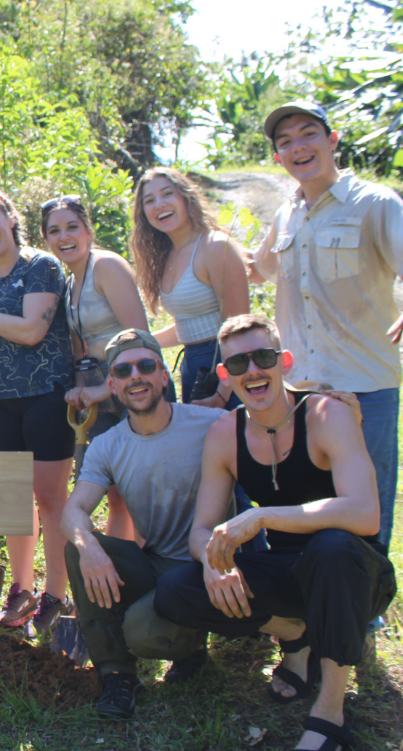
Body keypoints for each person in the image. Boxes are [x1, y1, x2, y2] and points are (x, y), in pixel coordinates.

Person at [155, 315, 395, 751]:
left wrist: (263, 518)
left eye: (263, 357)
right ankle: (294, 633)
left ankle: (329, 713)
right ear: (226, 375)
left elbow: (365, 515)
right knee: (176, 590)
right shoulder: (225, 434)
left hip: (356, 574)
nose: (253, 371)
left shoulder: (326, 414)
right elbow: (201, 530)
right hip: (289, 573)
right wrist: (213, 563)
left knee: (333, 546)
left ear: (283, 361)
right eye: (239, 363)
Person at [250, 100, 403, 556]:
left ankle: (367, 600)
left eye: (308, 133)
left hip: (366, 386)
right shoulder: (286, 215)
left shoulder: (375, 203)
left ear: (333, 140)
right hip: (302, 390)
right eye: (285, 141)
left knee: (367, 499)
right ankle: (311, 595)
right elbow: (256, 268)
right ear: (278, 157)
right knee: (309, 495)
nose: (298, 146)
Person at [61, 329, 223, 720]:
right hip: (157, 562)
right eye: (124, 370)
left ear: (164, 376)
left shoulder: (213, 424)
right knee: (76, 546)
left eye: (146, 365)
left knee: (142, 630)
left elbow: (274, 424)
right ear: (112, 385)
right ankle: (117, 673)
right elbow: (73, 510)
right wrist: (90, 548)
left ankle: (191, 644)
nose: (137, 376)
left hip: (207, 565)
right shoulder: (109, 444)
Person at [0, 187, 75, 635]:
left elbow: (29, 332)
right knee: (14, 502)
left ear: (10, 219)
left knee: (49, 498)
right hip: (1, 400)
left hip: (47, 393)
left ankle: (56, 594)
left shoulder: (41, 266)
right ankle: (20, 590)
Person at [42, 194, 150, 540]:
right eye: (54, 231)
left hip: (133, 381)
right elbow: (78, 349)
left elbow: (140, 338)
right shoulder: (70, 282)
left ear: (88, 231)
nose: (64, 237)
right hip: (97, 390)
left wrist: (109, 388)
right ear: (45, 239)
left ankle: (161, 572)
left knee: (145, 490)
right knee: (115, 493)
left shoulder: (106, 266)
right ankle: (125, 575)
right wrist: (81, 390)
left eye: (72, 227)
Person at [130, 167, 249, 408]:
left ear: (186, 197)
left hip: (229, 369)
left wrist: (222, 394)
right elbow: (190, 324)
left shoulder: (215, 247)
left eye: (167, 194)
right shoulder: (167, 256)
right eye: (149, 201)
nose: (159, 204)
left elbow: (240, 330)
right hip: (193, 367)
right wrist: (140, 343)